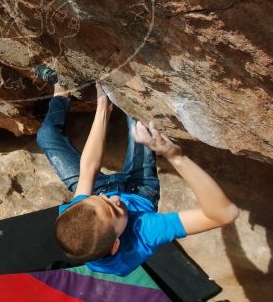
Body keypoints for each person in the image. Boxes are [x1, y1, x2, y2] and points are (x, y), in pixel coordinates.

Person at [35, 72, 240, 276]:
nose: (114, 198)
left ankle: (60, 91)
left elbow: (88, 169)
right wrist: (174, 156)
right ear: (116, 244)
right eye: (114, 210)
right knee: (137, 120)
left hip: (97, 188)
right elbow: (225, 214)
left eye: (101, 201)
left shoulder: (81, 220)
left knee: (47, 136)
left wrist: (102, 107)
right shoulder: (143, 233)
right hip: (140, 190)